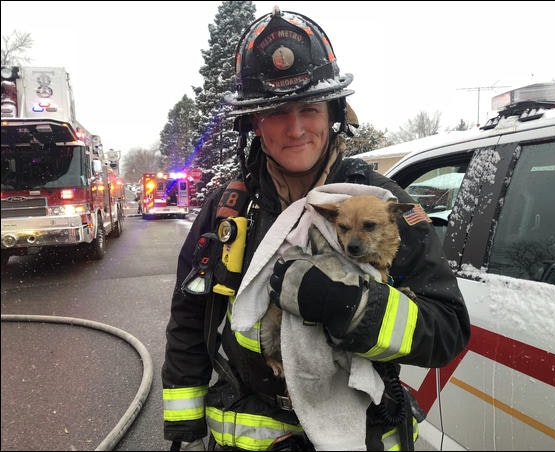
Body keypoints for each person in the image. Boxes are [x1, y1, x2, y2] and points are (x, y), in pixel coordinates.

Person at [162, 6, 470, 451]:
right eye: (274, 112)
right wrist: (183, 423)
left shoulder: (385, 207)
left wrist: (353, 309)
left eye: (309, 107)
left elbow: (447, 331)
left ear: (334, 112)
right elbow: (190, 316)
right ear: (253, 123)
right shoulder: (228, 209)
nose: (296, 128)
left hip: (361, 434)